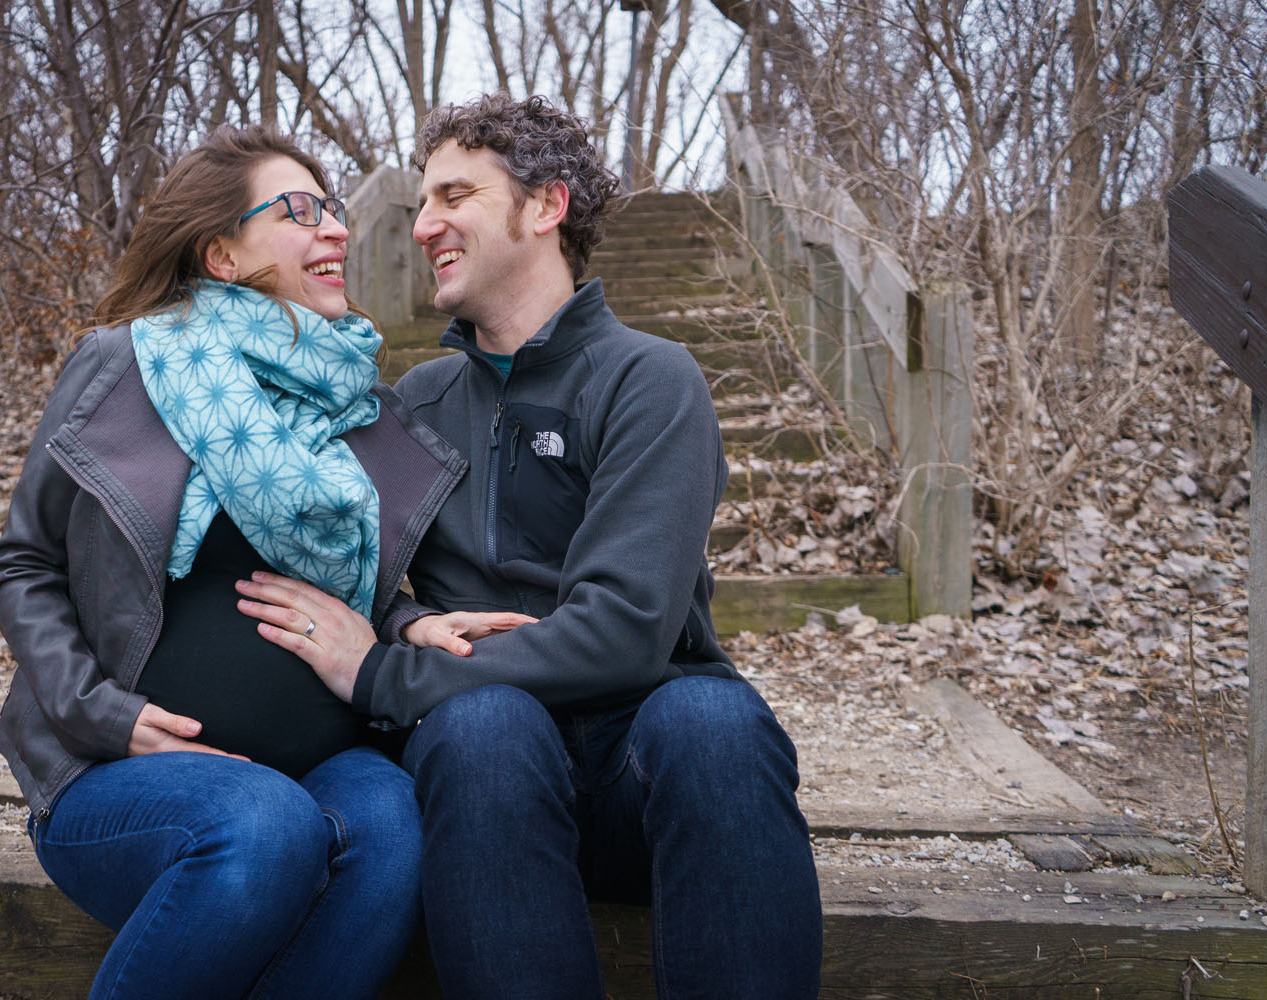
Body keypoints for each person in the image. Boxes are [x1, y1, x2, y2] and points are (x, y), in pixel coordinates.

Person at [234, 95, 824, 998]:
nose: (423, 224)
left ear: (545, 207)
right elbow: (361, 572)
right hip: (486, 796)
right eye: (420, 202)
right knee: (483, 726)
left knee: (712, 718)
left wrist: (384, 673)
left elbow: (623, 632)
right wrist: (406, 621)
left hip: (643, 777)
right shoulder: (412, 405)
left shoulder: (649, 381)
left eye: (454, 195)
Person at [0, 124, 527, 1000]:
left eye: (335, 210)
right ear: (221, 253)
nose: (337, 230)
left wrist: (409, 620)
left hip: (323, 755)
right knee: (265, 823)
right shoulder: (124, 367)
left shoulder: (361, 404)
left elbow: (344, 583)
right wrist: (99, 714)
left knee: (394, 827)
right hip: (115, 775)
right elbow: (22, 565)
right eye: (300, 211)